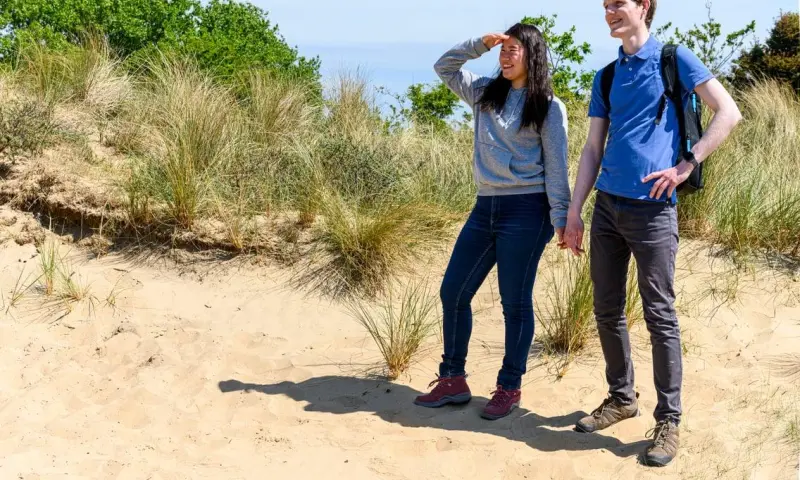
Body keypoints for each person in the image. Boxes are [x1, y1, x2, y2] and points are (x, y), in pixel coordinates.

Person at [563, 0, 742, 467]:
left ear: (643, 6)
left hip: (654, 211)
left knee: (659, 313)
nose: (610, 13)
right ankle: (622, 398)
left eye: (618, 4)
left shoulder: (674, 59)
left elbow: (729, 111)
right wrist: (574, 212)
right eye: (605, 7)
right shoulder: (606, 75)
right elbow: (591, 148)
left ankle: (669, 421)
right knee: (606, 310)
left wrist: (688, 164)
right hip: (606, 207)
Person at [414, 23, 571, 421]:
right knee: (454, 292)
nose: (506, 55)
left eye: (514, 49)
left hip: (527, 210)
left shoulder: (549, 106)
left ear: (532, 55)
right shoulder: (485, 92)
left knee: (513, 303)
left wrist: (562, 219)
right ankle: (453, 380)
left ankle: (508, 387)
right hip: (485, 207)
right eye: (504, 49)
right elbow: (444, 67)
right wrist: (479, 44)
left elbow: (557, 168)